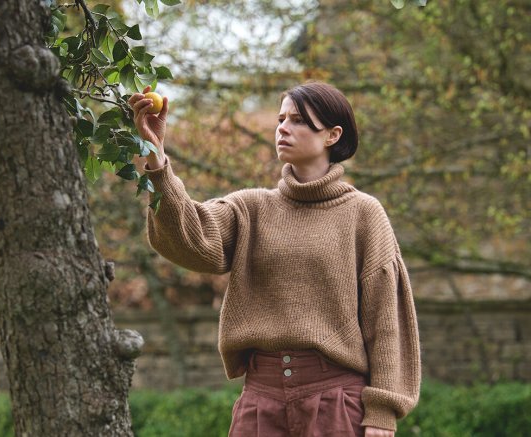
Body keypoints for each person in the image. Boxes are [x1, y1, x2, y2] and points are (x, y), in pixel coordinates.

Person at [129, 82, 421, 437]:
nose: (282, 127)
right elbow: (188, 238)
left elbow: (387, 321)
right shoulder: (251, 208)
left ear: (332, 134)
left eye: (298, 120)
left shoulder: (364, 214)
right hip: (260, 404)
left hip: (338, 404)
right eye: (281, 118)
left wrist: (382, 412)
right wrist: (157, 159)